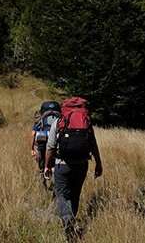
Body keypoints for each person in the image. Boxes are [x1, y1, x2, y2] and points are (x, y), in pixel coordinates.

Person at [44, 97, 102, 242]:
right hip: (82, 164)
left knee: (62, 194)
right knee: (75, 194)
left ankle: (67, 218)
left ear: (64, 108)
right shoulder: (86, 123)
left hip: (62, 164)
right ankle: (71, 224)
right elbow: (93, 145)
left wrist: (46, 165)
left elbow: (50, 147)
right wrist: (99, 164)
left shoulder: (58, 123)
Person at [30, 101, 61, 189]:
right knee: (55, 166)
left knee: (42, 166)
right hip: (56, 145)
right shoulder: (59, 118)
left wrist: (32, 149)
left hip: (42, 145)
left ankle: (43, 187)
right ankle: (55, 186)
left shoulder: (40, 118)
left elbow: (32, 135)